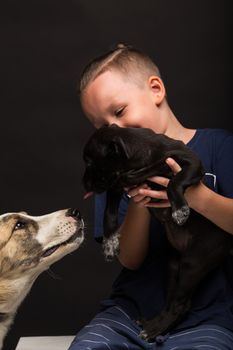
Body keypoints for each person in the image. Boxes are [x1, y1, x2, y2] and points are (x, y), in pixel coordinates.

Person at [69, 44, 233, 350]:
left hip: (206, 316)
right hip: (127, 314)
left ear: (155, 90)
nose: (114, 130)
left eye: (119, 112)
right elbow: (130, 260)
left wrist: (197, 198)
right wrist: (139, 199)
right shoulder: (116, 172)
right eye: (103, 127)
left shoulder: (219, 146)